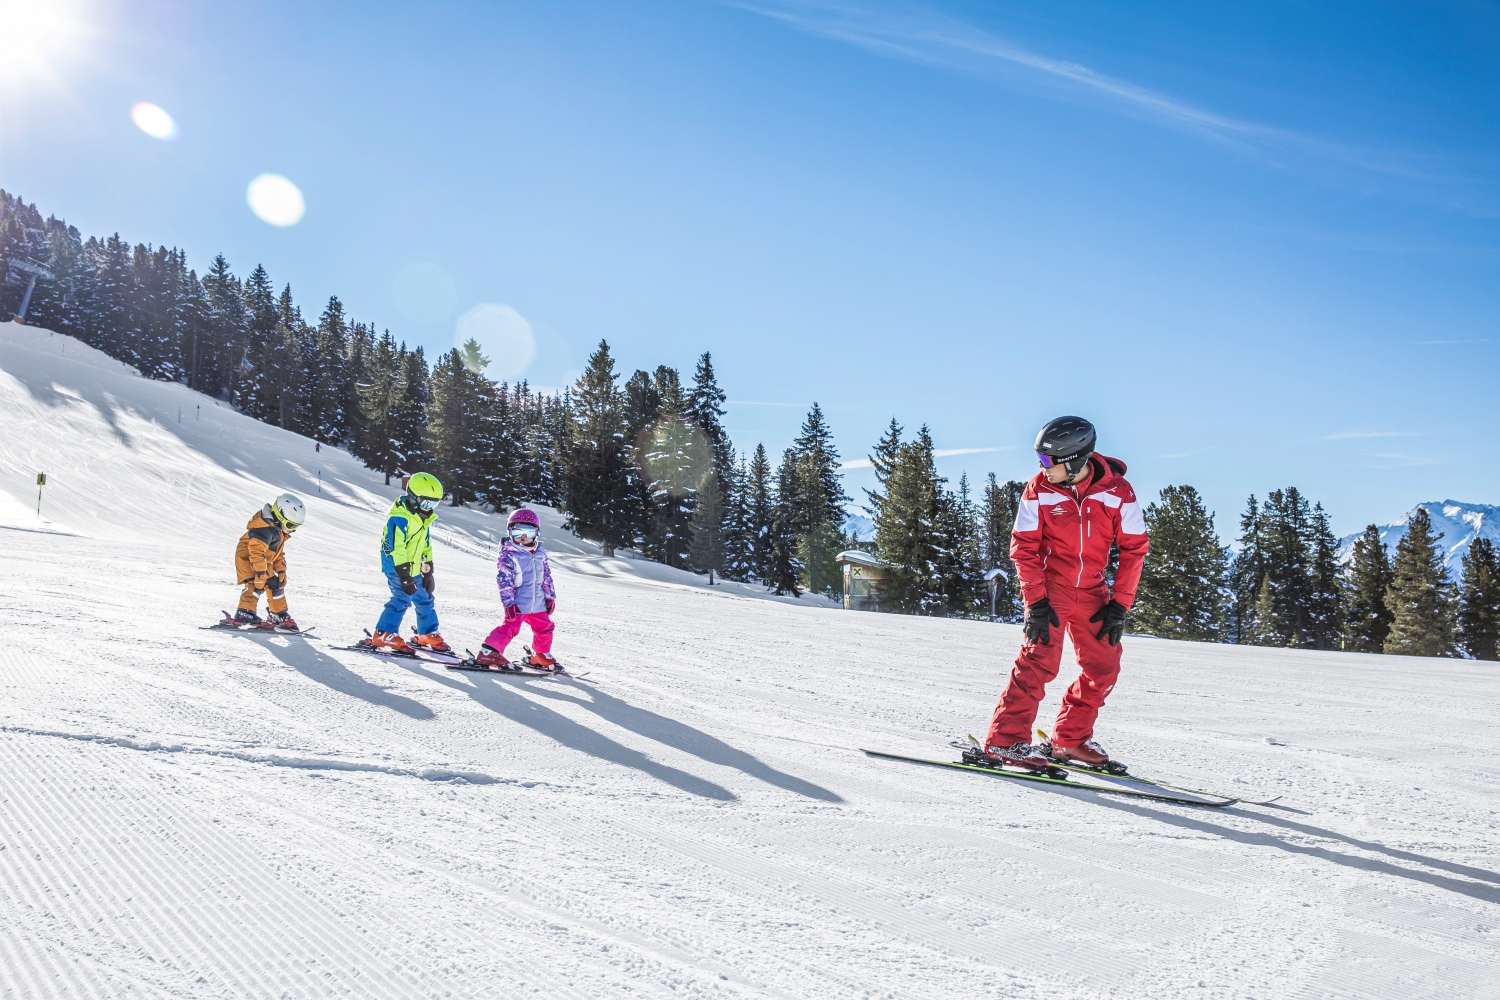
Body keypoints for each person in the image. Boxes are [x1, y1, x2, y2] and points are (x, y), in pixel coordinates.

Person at [978, 416, 1148, 773]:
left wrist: (1120, 605)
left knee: (1104, 666)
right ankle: (1005, 741)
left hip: (1093, 591)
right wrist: (1035, 602)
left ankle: (1070, 740)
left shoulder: (1119, 492)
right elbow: (1023, 548)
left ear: (1072, 462)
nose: (1041, 469)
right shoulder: (1037, 491)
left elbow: (1135, 549)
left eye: (1046, 462)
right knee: (1038, 661)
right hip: (1050, 589)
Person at [369, 472, 451, 653]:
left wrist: (428, 571)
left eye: (434, 504)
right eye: (426, 502)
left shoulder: (423, 518)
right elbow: (396, 548)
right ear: (413, 497)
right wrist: (404, 575)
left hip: (414, 567)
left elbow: (425, 545)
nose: (429, 508)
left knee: (425, 598)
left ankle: (427, 633)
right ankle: (384, 633)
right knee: (402, 597)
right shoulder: (399, 517)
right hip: (397, 567)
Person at [473, 508, 559, 669]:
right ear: (510, 532)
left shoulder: (540, 554)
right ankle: (488, 652)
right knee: (510, 627)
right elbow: (504, 581)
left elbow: (546, 577)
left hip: (538, 602)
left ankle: (539, 655)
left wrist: (550, 597)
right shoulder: (509, 555)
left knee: (545, 627)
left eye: (529, 532)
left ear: (537, 533)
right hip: (519, 603)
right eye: (518, 532)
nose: (524, 537)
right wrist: (508, 603)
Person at [233, 493, 306, 630]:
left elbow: (278, 554)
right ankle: (245, 612)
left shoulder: (279, 531)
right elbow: (255, 552)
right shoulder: (264, 530)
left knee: (275, 584)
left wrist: (281, 571)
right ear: (279, 516)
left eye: (295, 527)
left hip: (263, 562)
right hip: (248, 559)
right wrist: (260, 573)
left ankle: (278, 613)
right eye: (290, 525)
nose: (291, 530)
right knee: (255, 584)